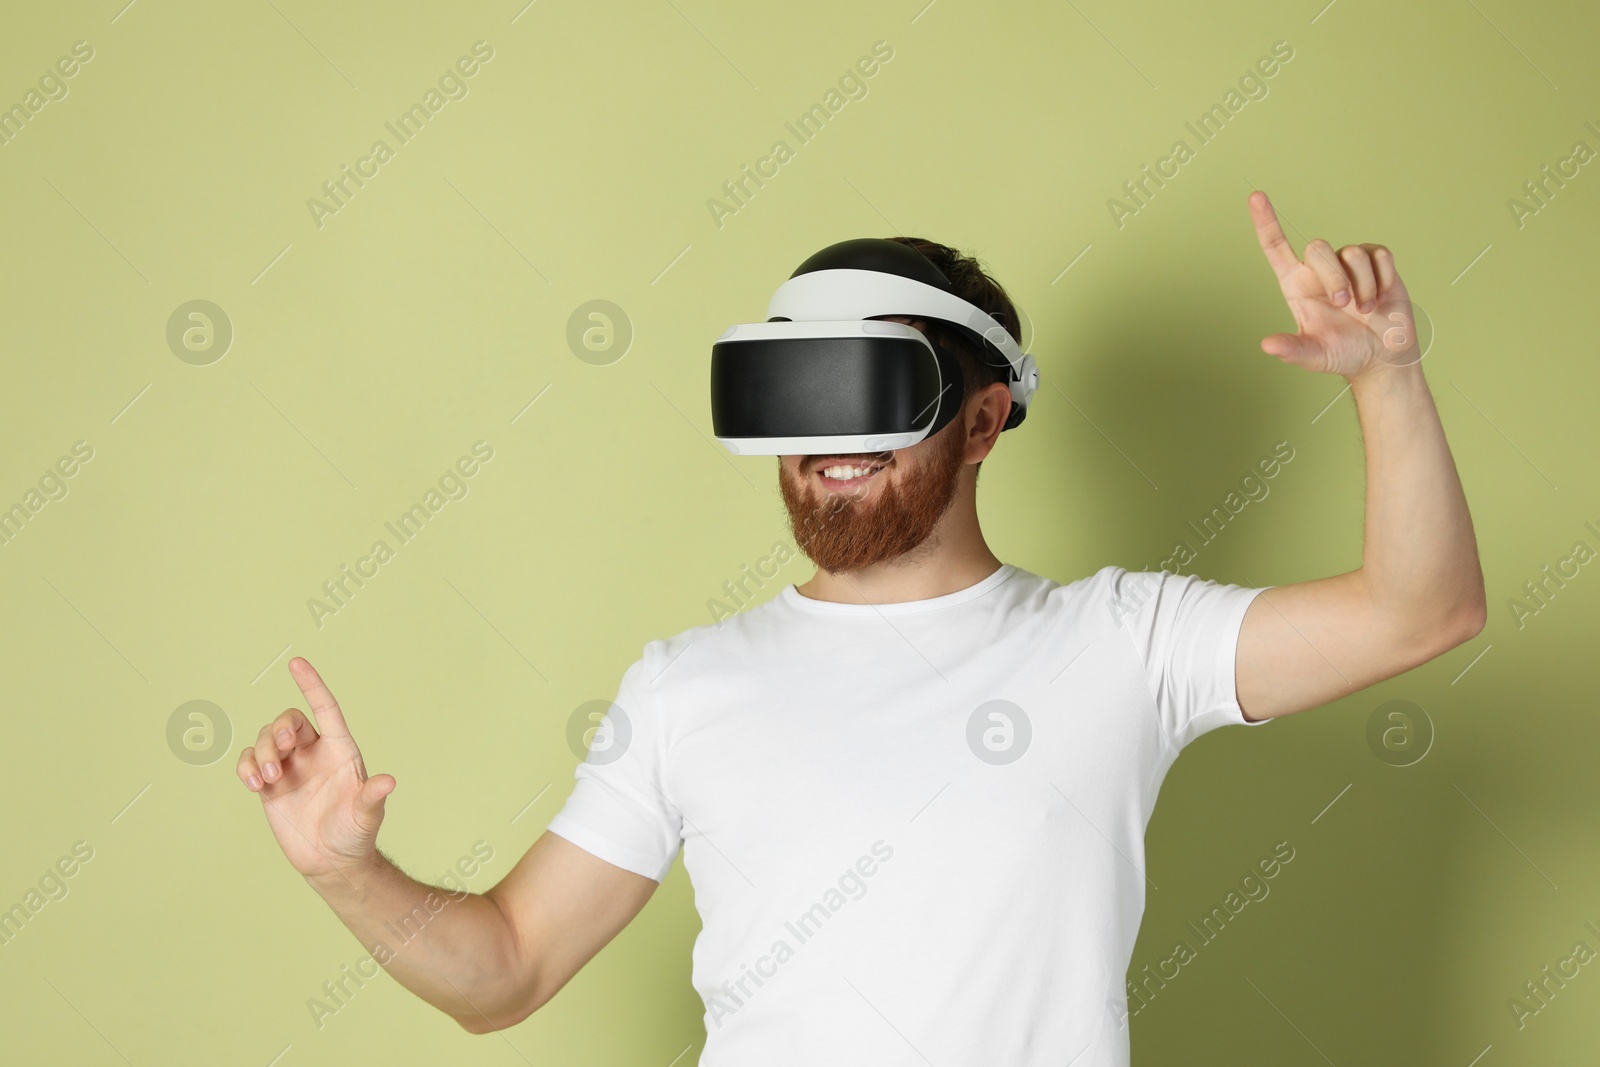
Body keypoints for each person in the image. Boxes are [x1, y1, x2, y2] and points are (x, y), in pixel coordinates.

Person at [238, 191, 1486, 1065]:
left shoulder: (1121, 644)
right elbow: (504, 970)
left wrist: (1387, 375)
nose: (826, 448)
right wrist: (347, 868)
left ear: (985, 417)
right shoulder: (687, 686)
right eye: (798, 396)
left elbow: (1418, 610)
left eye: (871, 394)